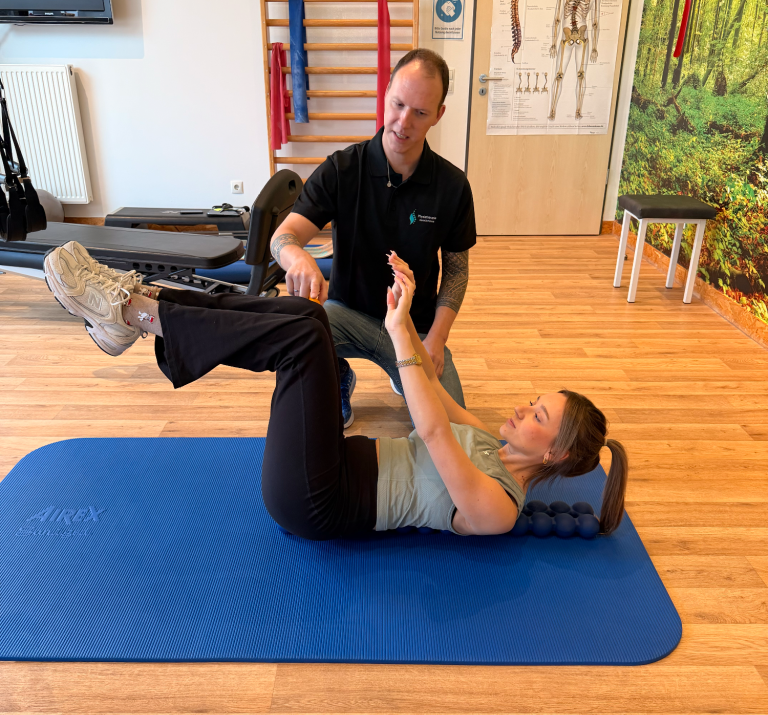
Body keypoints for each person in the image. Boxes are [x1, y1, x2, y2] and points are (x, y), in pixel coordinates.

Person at [43, 240, 629, 540]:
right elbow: (433, 390)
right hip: (327, 463)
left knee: (301, 340)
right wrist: (402, 314)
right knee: (309, 320)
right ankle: (142, 305)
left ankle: (131, 313)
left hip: (317, 501)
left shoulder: (498, 509)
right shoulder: (490, 442)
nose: (524, 408)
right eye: (535, 402)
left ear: (554, 453)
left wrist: (397, 333)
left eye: (538, 415)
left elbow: (429, 427)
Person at [270, 48, 476, 428]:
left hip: (413, 328)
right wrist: (296, 256)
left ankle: (404, 372)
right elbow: (284, 236)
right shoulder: (342, 169)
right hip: (346, 313)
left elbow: (457, 271)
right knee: (300, 333)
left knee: (454, 431)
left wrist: (437, 338)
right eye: (398, 104)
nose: (403, 122)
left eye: (420, 112)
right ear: (386, 94)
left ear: (439, 115)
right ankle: (336, 374)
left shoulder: (452, 186)